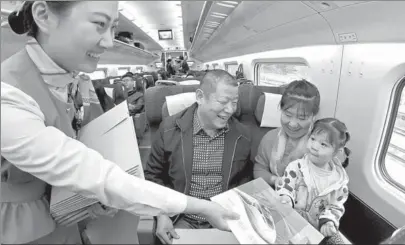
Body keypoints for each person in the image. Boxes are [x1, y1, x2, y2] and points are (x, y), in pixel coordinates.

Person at [1, 2, 238, 244]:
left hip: (72, 224)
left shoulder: (77, 83)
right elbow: (92, 172)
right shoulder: (7, 95)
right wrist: (202, 207)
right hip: (21, 232)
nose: (109, 41)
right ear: (43, 15)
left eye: (113, 28)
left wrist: (95, 201)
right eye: (99, 24)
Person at [144, 70, 253, 244]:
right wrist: (161, 214)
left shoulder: (243, 136)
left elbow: (244, 181)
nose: (230, 110)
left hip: (223, 218)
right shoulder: (169, 129)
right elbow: (153, 177)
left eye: (235, 103)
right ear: (200, 97)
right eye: (224, 102)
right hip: (181, 217)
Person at [276, 118, 351, 238]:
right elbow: (285, 186)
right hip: (289, 221)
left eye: (323, 144)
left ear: (336, 152)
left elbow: (335, 206)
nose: (314, 146)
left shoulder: (339, 183)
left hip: (313, 231)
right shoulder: (296, 167)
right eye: (312, 139)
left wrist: (329, 221)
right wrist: (286, 197)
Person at [253, 79, 321, 188]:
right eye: (288, 115)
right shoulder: (269, 138)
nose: (293, 124)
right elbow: (259, 169)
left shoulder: (319, 145)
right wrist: (275, 180)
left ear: (313, 117)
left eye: (301, 118)